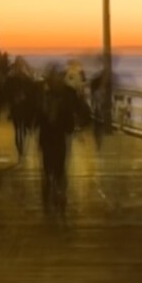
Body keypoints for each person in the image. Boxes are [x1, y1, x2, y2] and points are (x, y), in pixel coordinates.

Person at [37, 64, 89, 221]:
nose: (57, 80)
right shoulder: (45, 94)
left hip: (58, 135)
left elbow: (81, 110)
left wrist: (83, 117)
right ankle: (51, 193)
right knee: (50, 168)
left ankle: (57, 195)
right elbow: (35, 111)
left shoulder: (66, 94)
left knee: (58, 167)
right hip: (50, 136)